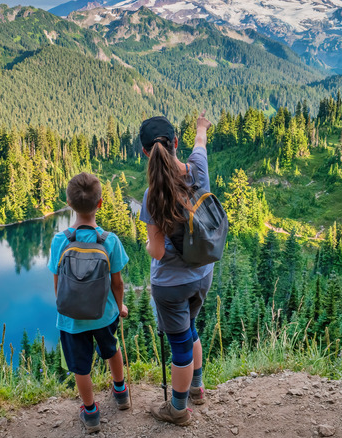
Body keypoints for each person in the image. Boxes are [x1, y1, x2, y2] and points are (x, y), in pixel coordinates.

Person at [139, 111, 213, 425]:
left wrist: (145, 243)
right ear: (175, 143)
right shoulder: (198, 170)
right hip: (202, 274)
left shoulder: (151, 196)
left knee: (180, 345)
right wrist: (201, 126)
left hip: (170, 285)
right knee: (191, 329)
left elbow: (156, 251)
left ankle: (178, 410)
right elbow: (201, 143)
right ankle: (196, 388)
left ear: (145, 152)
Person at [48, 172, 130, 433]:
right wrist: (120, 306)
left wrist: (65, 305)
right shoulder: (110, 241)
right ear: (100, 203)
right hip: (104, 314)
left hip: (71, 319)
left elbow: (58, 283)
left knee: (80, 366)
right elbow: (117, 283)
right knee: (112, 349)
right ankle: (121, 392)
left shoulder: (60, 241)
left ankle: (91, 413)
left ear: (69, 204)